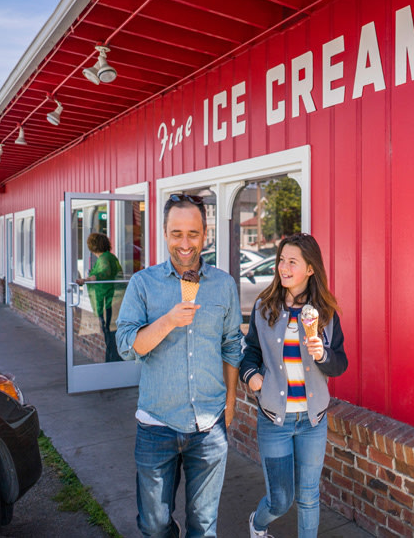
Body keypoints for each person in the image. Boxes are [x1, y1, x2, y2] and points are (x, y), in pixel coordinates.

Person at [116, 194, 243, 537]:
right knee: (154, 525)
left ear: (205, 235)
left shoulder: (223, 285)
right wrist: (168, 320)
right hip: (157, 422)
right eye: (176, 233)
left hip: (209, 425)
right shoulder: (144, 284)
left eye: (193, 233)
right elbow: (127, 347)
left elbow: (232, 346)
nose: (184, 243)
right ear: (164, 233)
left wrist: (230, 403)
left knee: (203, 527)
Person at [240, 232, 348, 538]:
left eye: (292, 262)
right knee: (281, 500)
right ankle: (258, 524)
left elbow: (340, 364)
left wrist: (323, 354)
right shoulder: (265, 306)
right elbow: (251, 352)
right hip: (275, 419)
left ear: (310, 269)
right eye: (281, 261)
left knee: (308, 497)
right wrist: (251, 375)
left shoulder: (325, 313)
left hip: (312, 421)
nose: (283, 268)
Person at [76, 232, 123, 362]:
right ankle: (113, 364)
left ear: (92, 246)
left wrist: (85, 280)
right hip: (111, 301)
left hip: (109, 302)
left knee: (111, 337)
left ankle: (113, 366)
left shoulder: (104, 259)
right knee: (111, 336)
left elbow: (104, 274)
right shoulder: (109, 257)